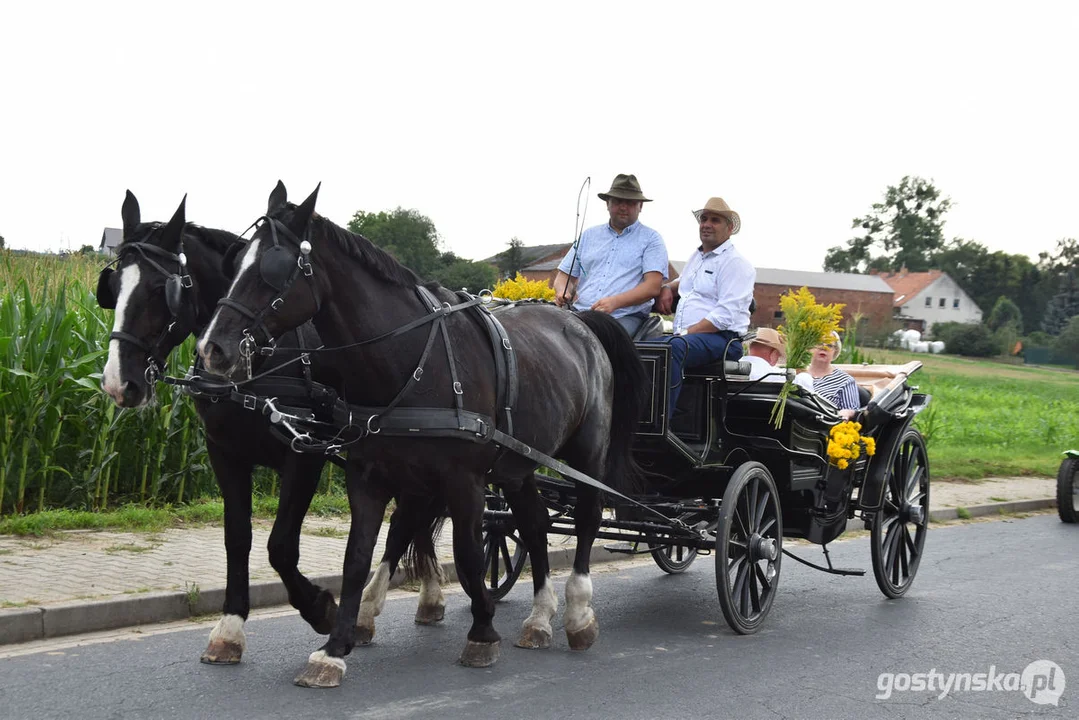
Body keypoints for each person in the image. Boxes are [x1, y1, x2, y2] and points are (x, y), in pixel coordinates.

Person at [653, 197, 755, 416]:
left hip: (723, 339)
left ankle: (660, 421)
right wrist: (666, 288)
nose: (707, 224)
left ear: (729, 229)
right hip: (692, 337)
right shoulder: (697, 257)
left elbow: (723, 316)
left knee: (671, 348)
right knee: (644, 347)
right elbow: (685, 282)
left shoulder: (736, 264)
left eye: (715, 220)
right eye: (704, 219)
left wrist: (687, 332)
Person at [553, 174, 668, 336]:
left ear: (640, 206)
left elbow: (653, 286)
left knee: (595, 339)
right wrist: (562, 292)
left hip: (625, 316)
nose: (623, 207)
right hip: (581, 313)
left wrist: (615, 302)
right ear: (607, 204)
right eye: (618, 201)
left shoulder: (651, 239)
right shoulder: (588, 235)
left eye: (630, 202)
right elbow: (564, 276)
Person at [804, 331, 860, 418]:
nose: (824, 348)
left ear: (835, 351)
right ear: (809, 347)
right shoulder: (797, 372)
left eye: (829, 345)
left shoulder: (845, 380)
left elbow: (851, 409)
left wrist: (845, 414)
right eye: (819, 343)